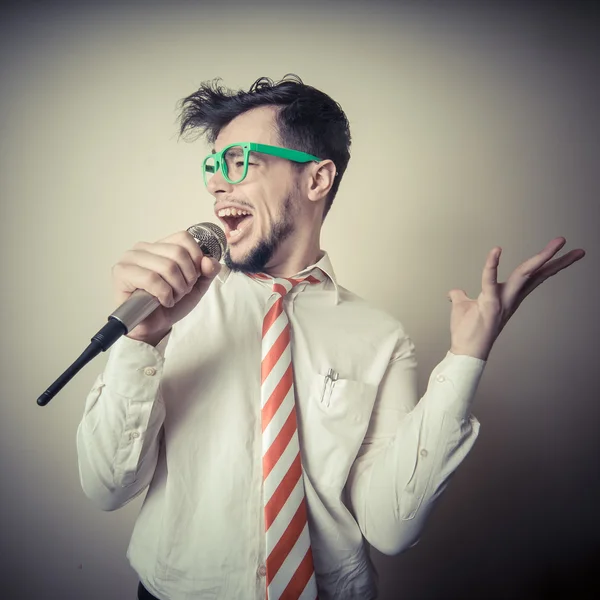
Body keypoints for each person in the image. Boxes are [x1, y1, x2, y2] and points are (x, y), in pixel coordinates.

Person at [76, 75, 586, 600]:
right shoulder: (169, 309)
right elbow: (108, 488)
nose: (216, 184)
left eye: (238, 161)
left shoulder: (380, 336)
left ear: (317, 179)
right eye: (213, 166)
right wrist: (139, 341)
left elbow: (391, 527)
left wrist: (466, 358)